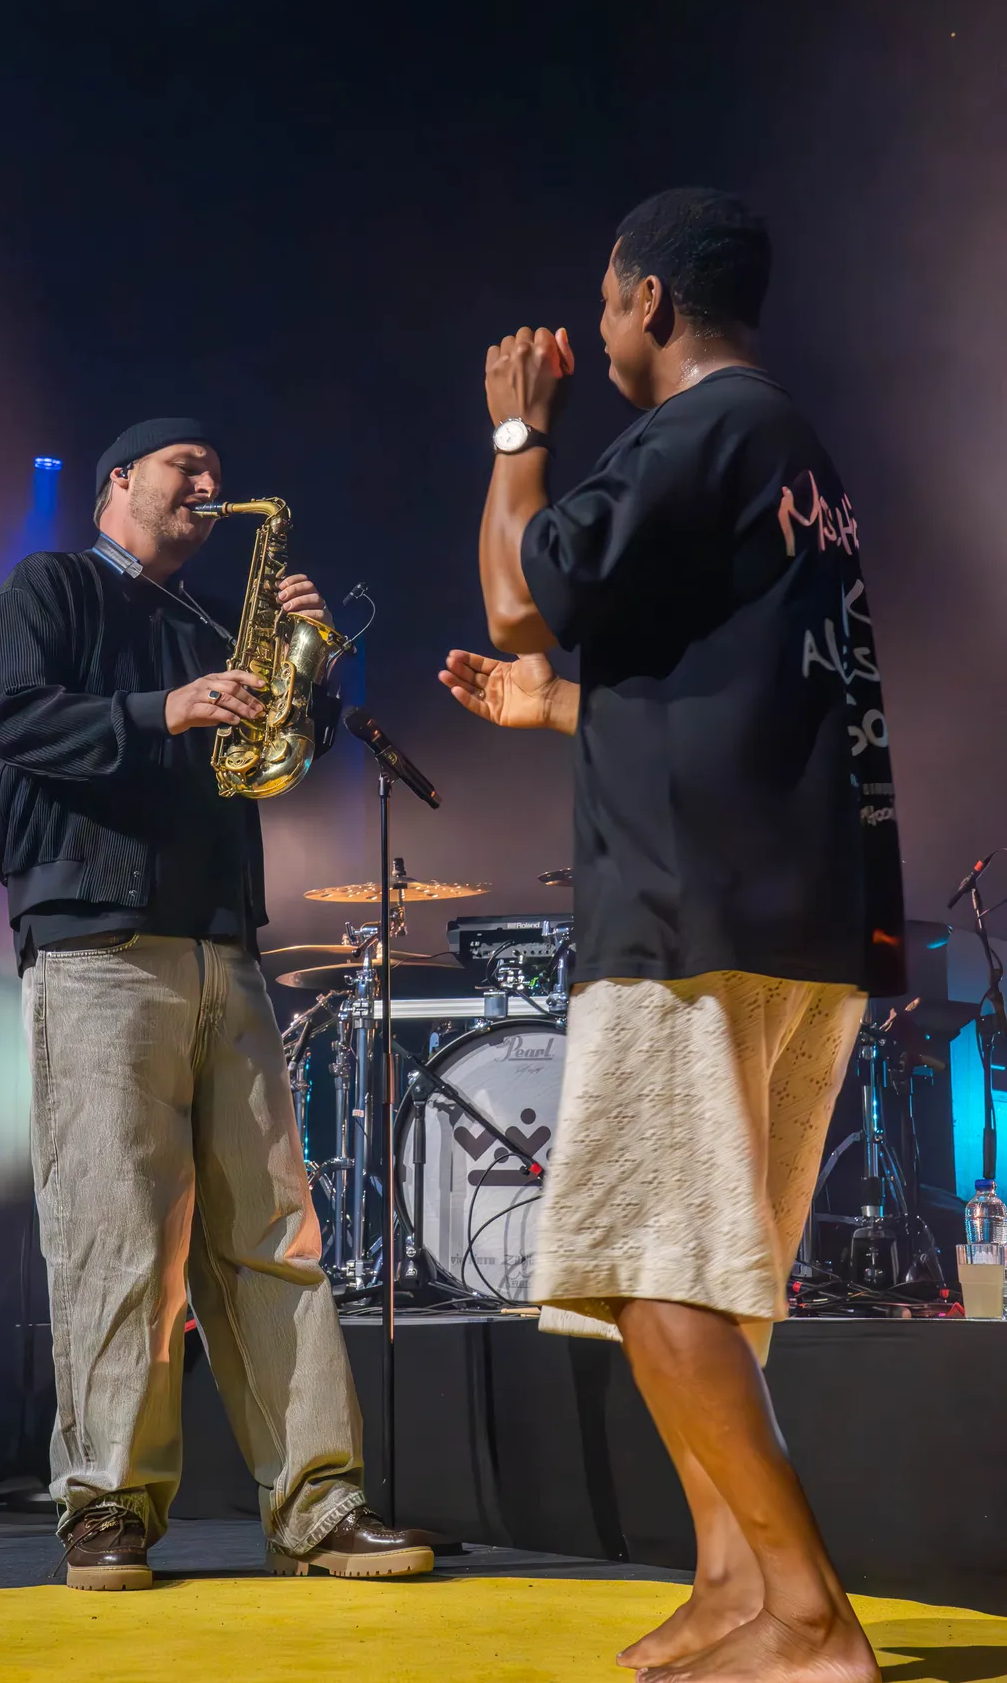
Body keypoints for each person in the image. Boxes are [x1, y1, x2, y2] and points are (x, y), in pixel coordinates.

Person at [441, 190, 902, 1683]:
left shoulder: (696, 431)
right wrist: (562, 713)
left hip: (685, 925)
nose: (595, 325)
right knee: (702, 1275)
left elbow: (518, 599)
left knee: (649, 1270)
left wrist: (517, 432)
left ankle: (811, 1617)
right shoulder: (792, 448)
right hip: (797, 916)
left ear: (647, 300)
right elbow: (736, 699)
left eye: (604, 299)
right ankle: (734, 1586)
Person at [0, 417, 432, 1588]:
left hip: (221, 945)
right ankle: (107, 1507)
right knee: (119, 1234)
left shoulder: (210, 619)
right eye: (186, 467)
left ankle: (320, 1507)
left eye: (216, 473)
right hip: (96, 943)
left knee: (275, 1237)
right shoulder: (52, 587)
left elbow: (275, 761)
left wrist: (307, 672)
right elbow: (15, 720)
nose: (208, 484)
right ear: (116, 483)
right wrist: (163, 710)